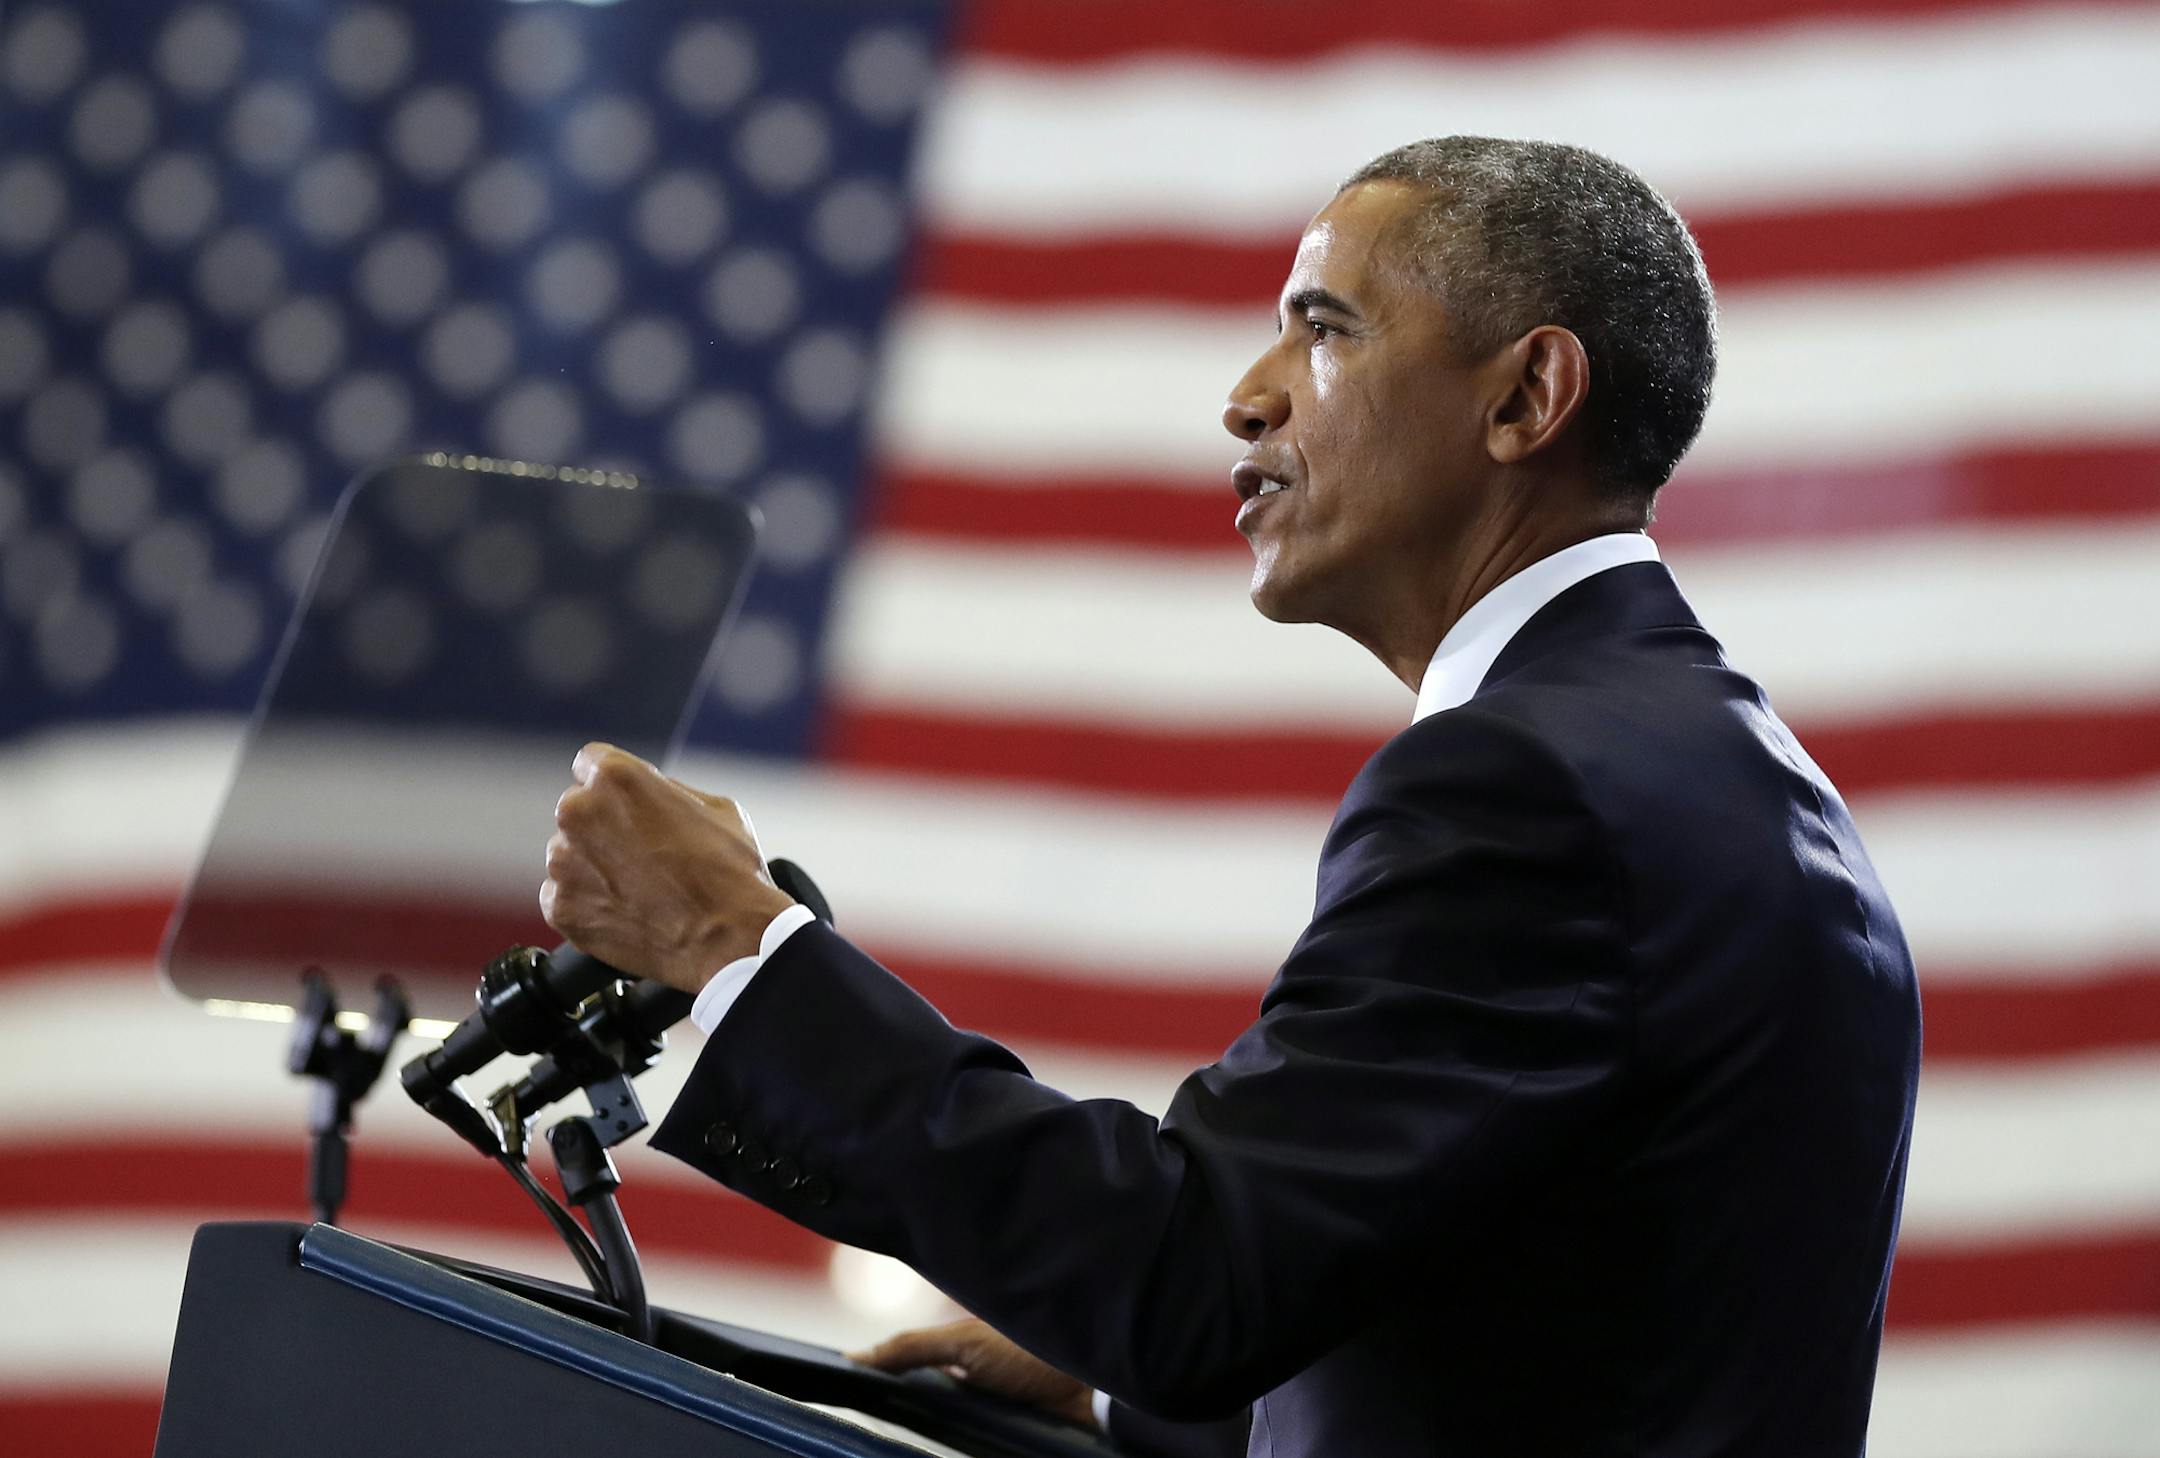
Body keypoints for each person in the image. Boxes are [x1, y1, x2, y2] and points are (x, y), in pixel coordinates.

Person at [540, 136, 1922, 1458]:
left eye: (1324, 327)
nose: (1248, 396)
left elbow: (1191, 1277)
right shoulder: (1722, 770)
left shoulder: (1524, 787)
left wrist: (744, 951)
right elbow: (1568, 1334)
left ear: (1524, 399)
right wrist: (1141, 1408)